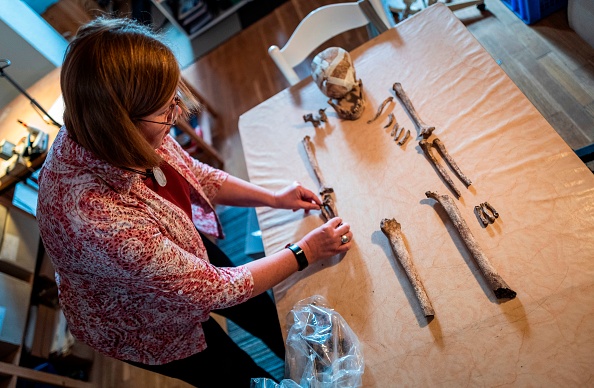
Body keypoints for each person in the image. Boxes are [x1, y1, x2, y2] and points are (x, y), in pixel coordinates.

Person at [36, 16, 353, 387]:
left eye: (173, 97)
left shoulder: (116, 126)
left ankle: (294, 356)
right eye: (165, 109)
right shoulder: (96, 220)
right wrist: (305, 252)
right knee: (234, 374)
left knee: (261, 311)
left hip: (168, 242)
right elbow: (218, 288)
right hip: (144, 322)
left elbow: (196, 175)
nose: (177, 112)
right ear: (122, 123)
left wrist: (273, 198)